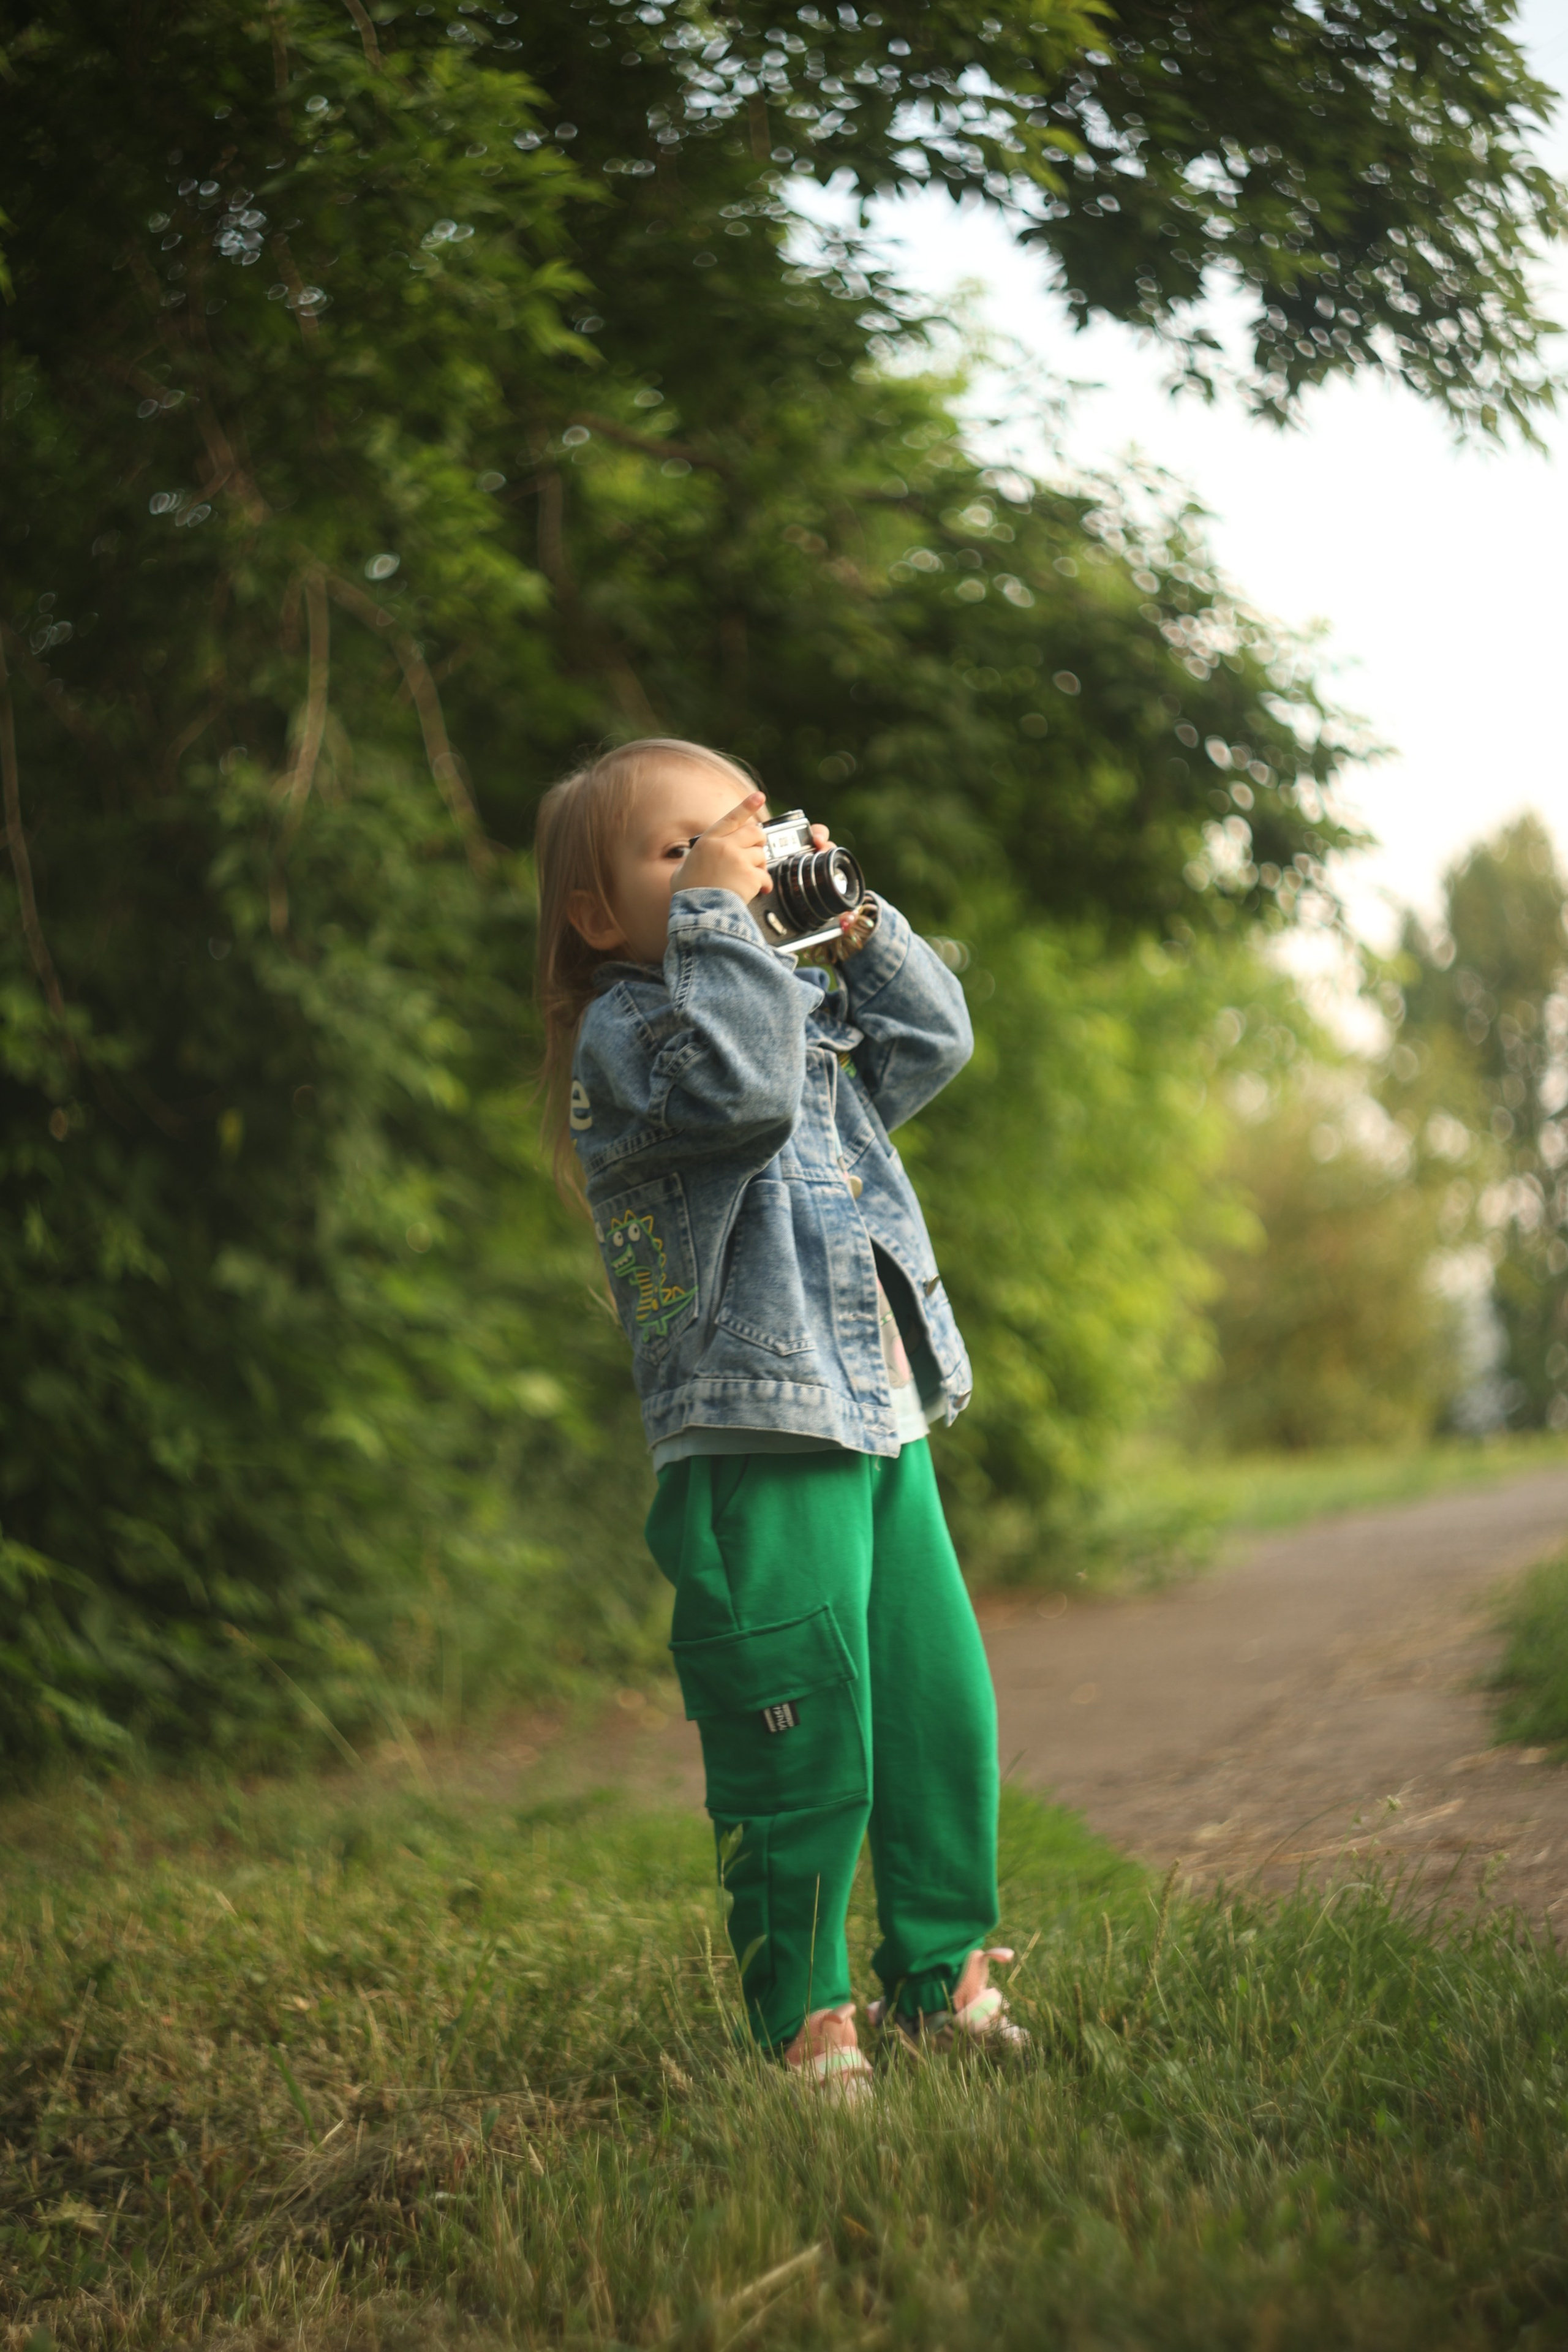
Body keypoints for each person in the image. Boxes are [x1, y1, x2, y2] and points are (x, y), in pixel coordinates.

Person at [535, 737, 1018, 2097]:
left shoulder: (784, 1006)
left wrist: (852, 927)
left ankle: (942, 1976)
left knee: (934, 1713)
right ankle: (806, 2021)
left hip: (880, 1416)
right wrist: (719, 917)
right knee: (796, 1731)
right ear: (597, 916)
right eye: (680, 850)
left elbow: (932, 1043)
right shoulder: (635, 1040)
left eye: (745, 837)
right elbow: (742, 1095)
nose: (728, 867)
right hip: (759, 1436)